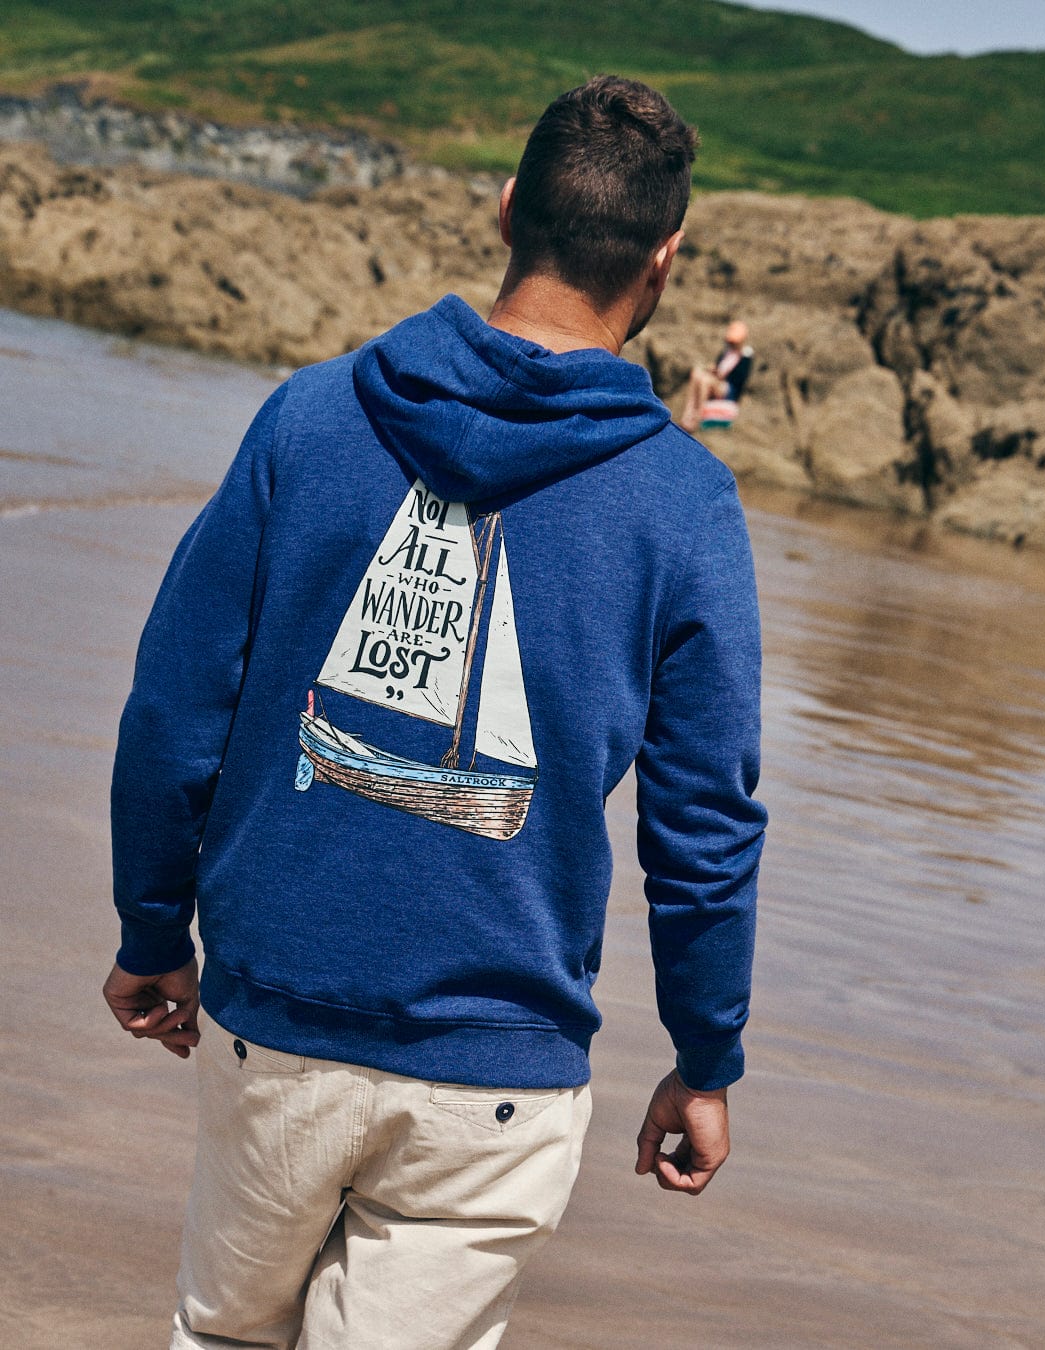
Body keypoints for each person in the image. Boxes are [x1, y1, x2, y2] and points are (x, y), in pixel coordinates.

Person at [103, 74, 766, 1350]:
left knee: (222, 1334)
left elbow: (174, 709)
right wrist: (705, 1057)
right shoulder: (687, 508)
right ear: (665, 259)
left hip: (273, 1024)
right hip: (497, 1078)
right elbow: (706, 831)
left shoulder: (310, 415)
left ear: (509, 208)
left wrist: (149, 929)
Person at [679, 319, 754, 432]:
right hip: (717, 382)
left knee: (705, 381)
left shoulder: (745, 357)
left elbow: (739, 379)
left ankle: (697, 418)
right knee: (697, 374)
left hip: (728, 389)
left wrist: (719, 374)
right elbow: (717, 367)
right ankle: (687, 416)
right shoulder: (726, 352)